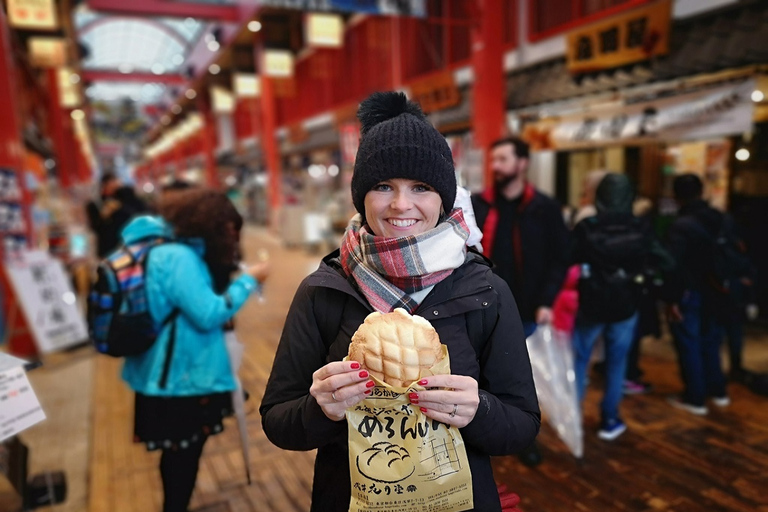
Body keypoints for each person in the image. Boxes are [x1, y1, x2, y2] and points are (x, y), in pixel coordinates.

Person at [260, 92, 540, 512]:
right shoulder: (324, 291)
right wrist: (320, 409)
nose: (400, 204)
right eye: (383, 186)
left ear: (444, 198)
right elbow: (278, 421)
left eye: (421, 187)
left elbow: (521, 424)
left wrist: (478, 409)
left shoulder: (485, 291)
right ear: (361, 195)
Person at [120, 189, 269, 512]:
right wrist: (249, 280)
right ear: (212, 225)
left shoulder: (171, 250)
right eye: (227, 229)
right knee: (182, 454)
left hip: (178, 370)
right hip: (178, 375)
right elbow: (207, 313)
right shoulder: (177, 257)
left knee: (181, 452)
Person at [571, 173, 673, 440]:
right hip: (627, 304)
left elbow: (565, 258)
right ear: (630, 196)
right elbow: (666, 262)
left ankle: (573, 418)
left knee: (580, 361)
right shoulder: (642, 227)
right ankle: (609, 419)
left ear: (599, 196)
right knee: (617, 362)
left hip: (591, 304)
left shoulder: (587, 226)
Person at [665, 174, 750, 415]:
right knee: (711, 341)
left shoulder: (680, 225)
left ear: (676, 196)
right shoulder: (723, 219)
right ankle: (719, 391)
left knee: (689, 343)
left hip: (690, 292)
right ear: (702, 192)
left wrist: (672, 299)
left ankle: (695, 398)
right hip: (718, 290)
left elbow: (673, 266)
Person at [471, 136, 570, 338]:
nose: (495, 166)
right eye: (493, 160)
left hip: (528, 310)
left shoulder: (545, 208)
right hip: (483, 306)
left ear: (523, 163)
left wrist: (546, 302)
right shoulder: (478, 205)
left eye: (502, 159)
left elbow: (560, 259)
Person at [86, 173, 146, 257]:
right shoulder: (95, 204)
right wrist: (103, 216)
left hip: (129, 243)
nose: (115, 184)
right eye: (112, 182)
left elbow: (139, 212)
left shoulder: (126, 197)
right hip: (109, 248)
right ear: (104, 185)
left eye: (116, 181)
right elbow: (94, 227)